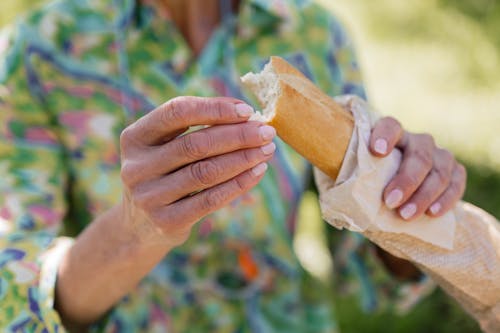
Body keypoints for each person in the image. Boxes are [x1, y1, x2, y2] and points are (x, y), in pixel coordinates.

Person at [0, 0, 466, 331]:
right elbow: (15, 300)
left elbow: (372, 279)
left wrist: (406, 196)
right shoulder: (42, 49)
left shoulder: (313, 33)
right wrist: (135, 229)